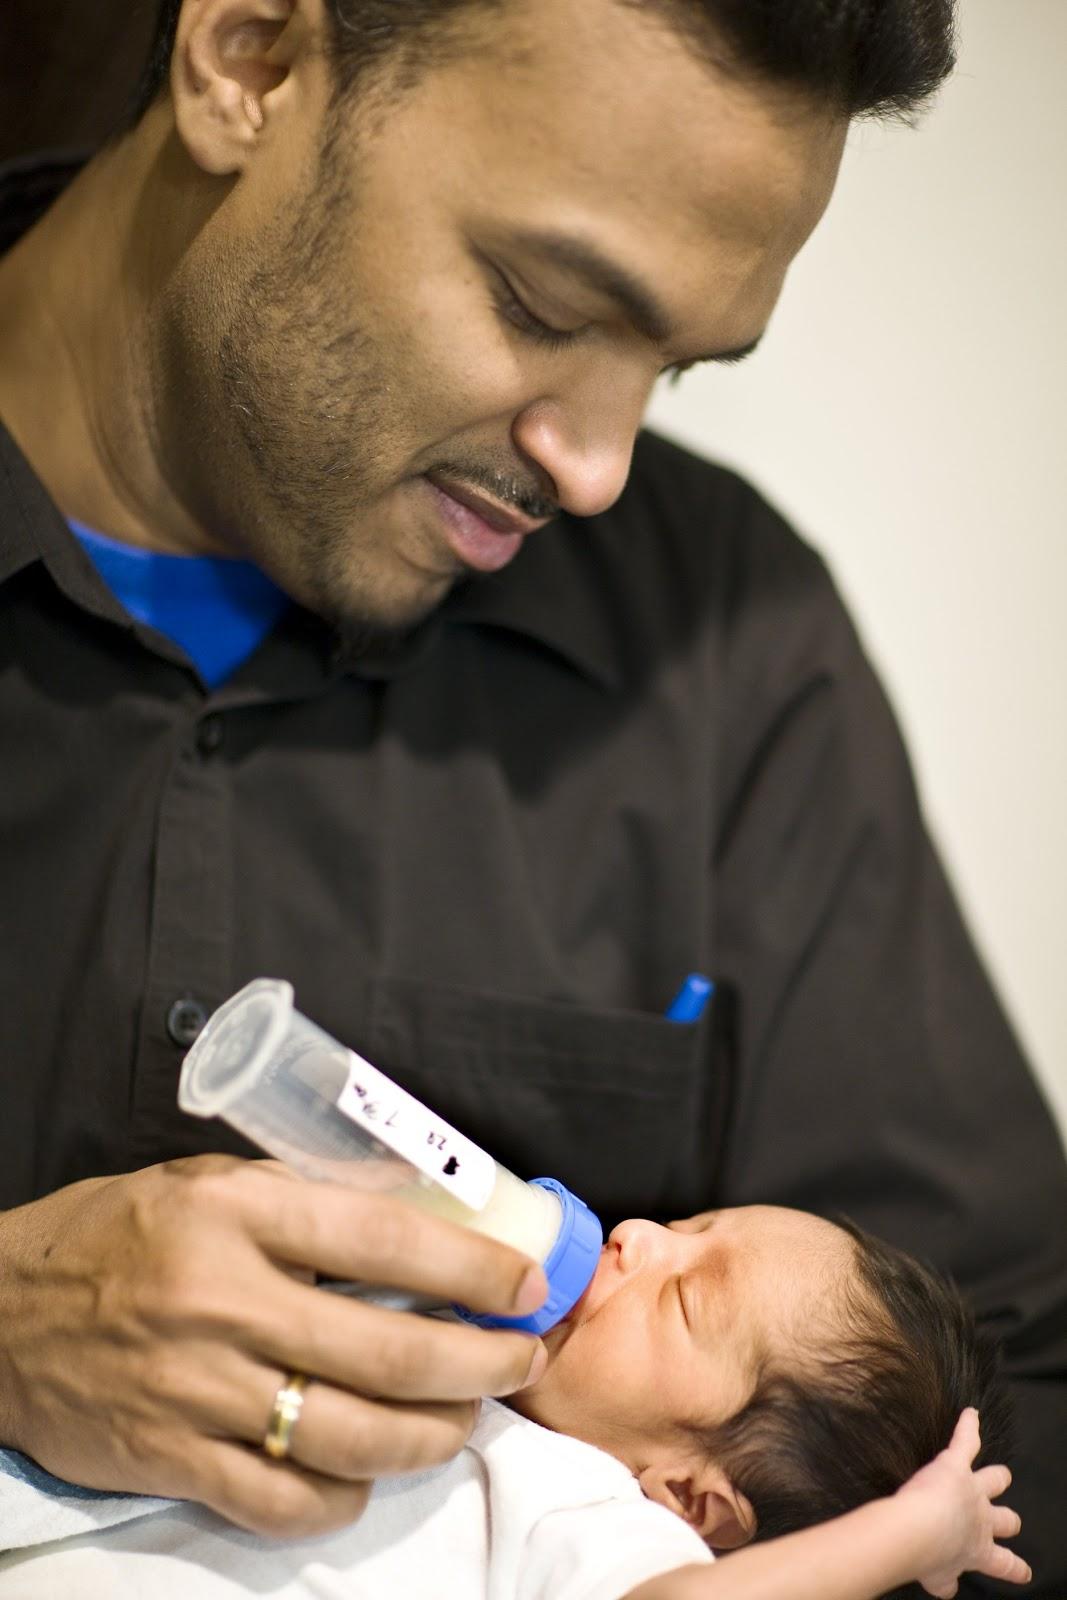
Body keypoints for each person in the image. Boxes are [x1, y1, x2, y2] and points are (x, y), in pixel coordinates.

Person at [0, 0, 1064, 1591]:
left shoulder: (720, 651)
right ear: (250, 60)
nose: (597, 468)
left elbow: (1007, 1428)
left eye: (677, 371)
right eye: (542, 300)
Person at [0, 1206, 1031, 1596]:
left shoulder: (594, 1512)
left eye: (681, 1294)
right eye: (688, 1221)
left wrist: (906, 1534)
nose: (636, 1233)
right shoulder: (454, 1336)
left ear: (693, 1496)